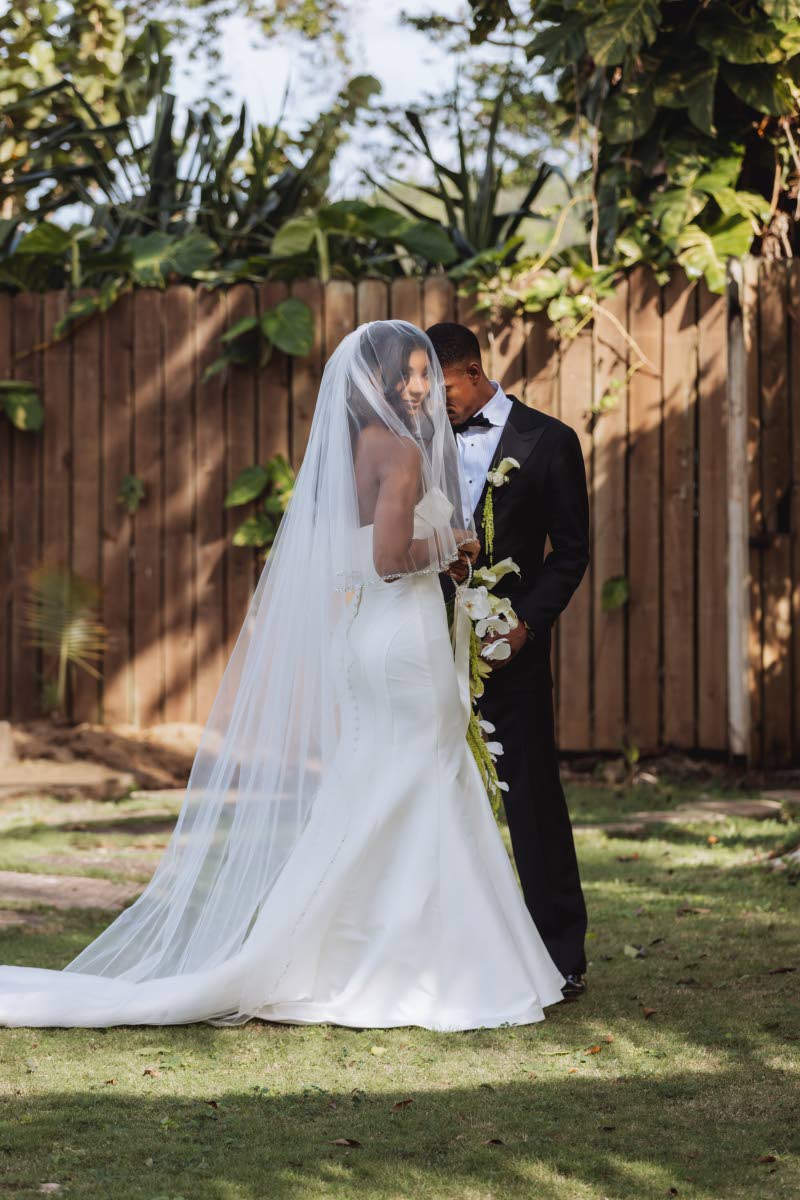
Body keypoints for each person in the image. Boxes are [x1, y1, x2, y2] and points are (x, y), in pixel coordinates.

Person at [0, 320, 565, 1031]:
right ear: (380, 381)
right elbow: (391, 558)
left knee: (379, 782)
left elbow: (361, 551)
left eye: (427, 372)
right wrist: (454, 543)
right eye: (409, 373)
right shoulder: (402, 451)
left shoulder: (358, 447)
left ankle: (354, 949)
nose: (420, 386)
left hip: (368, 637)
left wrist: (435, 553)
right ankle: (425, 964)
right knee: (423, 776)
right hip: (401, 641)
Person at [426, 321, 590, 1000]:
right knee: (434, 793)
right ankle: (446, 949)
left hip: (509, 649)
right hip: (430, 644)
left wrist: (524, 626)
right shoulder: (418, 442)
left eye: (443, 389)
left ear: (473, 370)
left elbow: (571, 553)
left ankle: (560, 954)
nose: (436, 405)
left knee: (531, 796)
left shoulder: (549, 441)